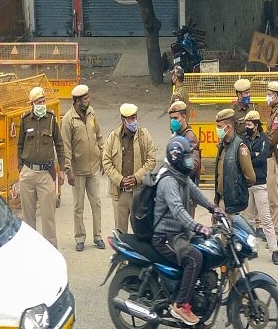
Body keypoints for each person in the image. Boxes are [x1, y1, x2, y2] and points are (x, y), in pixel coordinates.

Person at [152, 137, 222, 325]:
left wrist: (213, 208)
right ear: (176, 158)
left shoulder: (180, 175)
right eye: (187, 156)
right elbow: (178, 210)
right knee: (194, 258)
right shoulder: (168, 180)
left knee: (204, 248)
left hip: (177, 233)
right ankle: (180, 304)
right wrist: (198, 226)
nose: (190, 159)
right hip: (165, 235)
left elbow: (195, 191)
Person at [17, 86, 65, 248]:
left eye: (44, 101)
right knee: (28, 218)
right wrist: (21, 169)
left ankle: (51, 251)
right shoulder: (25, 120)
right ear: (32, 104)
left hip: (46, 174)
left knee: (48, 218)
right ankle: (30, 251)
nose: (42, 104)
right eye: (39, 102)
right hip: (28, 173)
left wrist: (62, 169)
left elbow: (59, 144)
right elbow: (19, 145)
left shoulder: (51, 119)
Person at [61, 84, 105, 252]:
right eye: (85, 98)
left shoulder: (92, 112)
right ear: (78, 101)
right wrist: (68, 170)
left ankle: (97, 236)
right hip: (77, 171)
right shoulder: (68, 120)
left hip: (93, 167)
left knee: (97, 203)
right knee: (78, 206)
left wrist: (102, 156)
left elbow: (98, 135)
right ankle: (80, 237)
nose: (88, 100)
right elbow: (66, 147)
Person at [103, 103, 157, 233]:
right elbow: (106, 162)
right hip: (120, 191)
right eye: (131, 118)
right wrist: (120, 180)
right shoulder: (113, 137)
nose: (134, 121)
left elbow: (152, 160)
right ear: (123, 119)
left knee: (140, 230)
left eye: (135, 117)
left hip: (139, 192)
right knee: (120, 232)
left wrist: (137, 177)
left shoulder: (144, 135)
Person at [241, 110, 278, 265]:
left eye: (249, 124)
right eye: (246, 124)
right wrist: (253, 155)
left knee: (266, 219)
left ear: (256, 125)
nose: (247, 127)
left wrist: (249, 156)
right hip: (248, 184)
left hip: (259, 183)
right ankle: (253, 249)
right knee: (249, 219)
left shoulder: (263, 138)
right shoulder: (243, 139)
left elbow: (262, 157)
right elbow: (243, 157)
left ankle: (274, 250)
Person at [214, 108, 256, 215]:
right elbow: (219, 177)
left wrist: (237, 190)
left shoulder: (240, 147)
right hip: (223, 202)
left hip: (234, 204)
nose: (217, 129)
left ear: (228, 127)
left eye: (219, 126)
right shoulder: (222, 146)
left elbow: (250, 177)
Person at [168, 100, 201, 216]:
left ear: (184, 117)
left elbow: (194, 164)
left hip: (187, 193)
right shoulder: (176, 135)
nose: (173, 121)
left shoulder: (189, 137)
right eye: (171, 118)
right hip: (178, 190)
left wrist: (178, 168)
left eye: (176, 118)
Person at [266, 80, 278, 248]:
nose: (267, 97)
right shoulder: (274, 112)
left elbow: (272, 138)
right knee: (271, 197)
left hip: (274, 157)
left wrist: (261, 140)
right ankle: (274, 232)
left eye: (270, 94)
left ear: (276, 96)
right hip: (271, 157)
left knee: (275, 198)